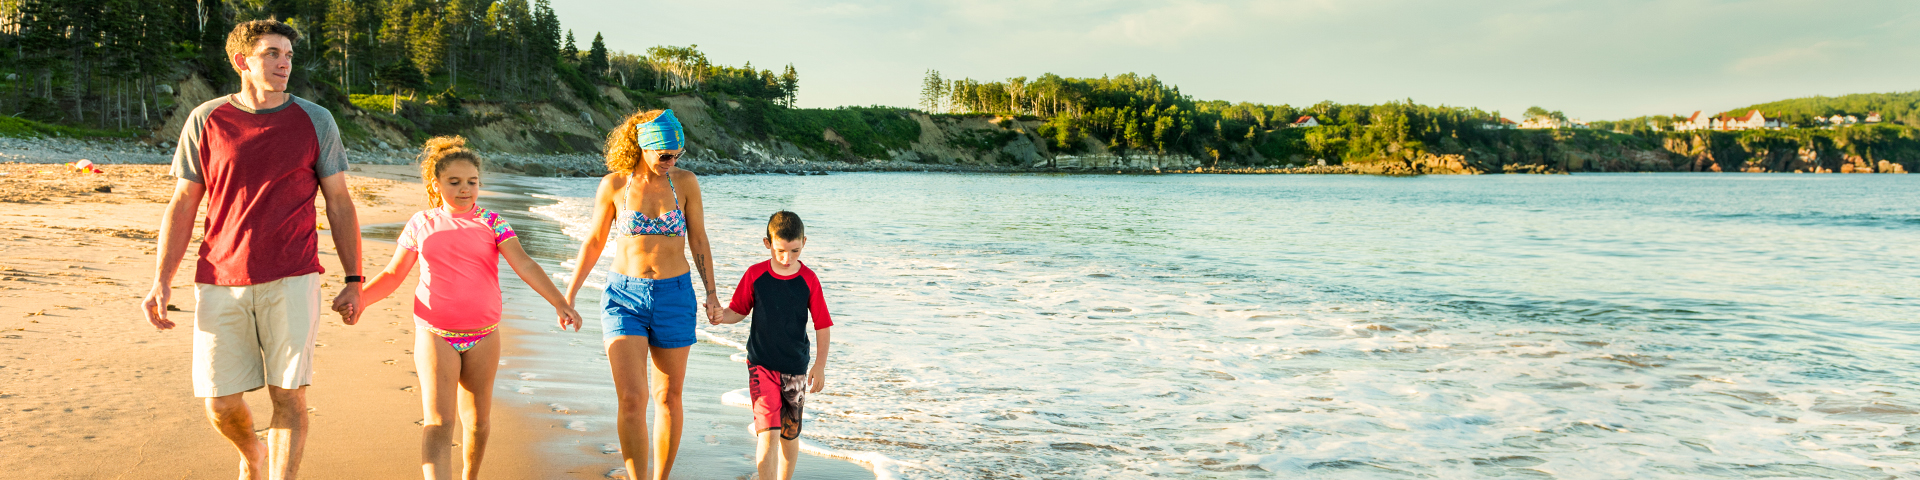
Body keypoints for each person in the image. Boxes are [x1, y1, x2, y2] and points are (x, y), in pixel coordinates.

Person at [140, 19, 361, 480]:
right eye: (272, 54)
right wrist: (161, 280)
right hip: (220, 278)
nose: (284, 63)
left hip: (293, 275)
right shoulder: (206, 118)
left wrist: (353, 279)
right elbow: (182, 203)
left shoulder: (316, 120)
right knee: (219, 402)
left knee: (288, 396)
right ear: (242, 61)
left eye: (288, 55)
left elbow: (339, 202)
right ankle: (252, 453)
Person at [357, 136, 584, 480]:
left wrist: (560, 302)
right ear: (436, 184)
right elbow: (392, 274)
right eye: (455, 182)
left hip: (484, 335)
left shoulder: (494, 222)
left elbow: (524, 264)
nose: (465, 189)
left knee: (477, 421)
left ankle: (470, 476)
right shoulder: (421, 223)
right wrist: (359, 299)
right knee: (438, 421)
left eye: (472, 182)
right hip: (435, 334)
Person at [564, 109, 720, 480]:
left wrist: (712, 294)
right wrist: (567, 296)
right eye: (664, 155)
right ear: (642, 146)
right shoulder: (615, 185)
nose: (671, 162)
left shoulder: (686, 184)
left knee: (668, 398)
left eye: (677, 155)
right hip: (624, 298)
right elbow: (594, 242)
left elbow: (698, 239)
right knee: (632, 400)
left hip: (675, 295)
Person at [709, 211, 835, 480]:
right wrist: (722, 316)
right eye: (780, 250)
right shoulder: (755, 275)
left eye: (795, 250)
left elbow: (822, 325)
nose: (787, 258)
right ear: (767, 243)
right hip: (761, 365)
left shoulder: (809, 280)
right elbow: (738, 311)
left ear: (804, 242)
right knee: (768, 433)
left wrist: (820, 365)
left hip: (795, 369)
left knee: (789, 436)